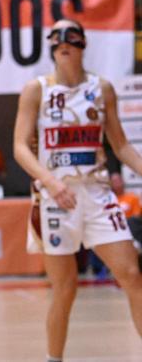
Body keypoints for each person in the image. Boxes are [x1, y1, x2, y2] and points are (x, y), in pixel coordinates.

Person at [14, 19, 142, 362]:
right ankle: (54, 358)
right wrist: (51, 183)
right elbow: (20, 147)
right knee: (65, 288)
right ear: (51, 46)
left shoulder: (102, 88)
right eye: (55, 37)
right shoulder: (36, 89)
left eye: (70, 35)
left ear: (82, 43)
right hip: (56, 197)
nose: (62, 41)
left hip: (97, 193)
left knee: (131, 274)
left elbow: (122, 145)